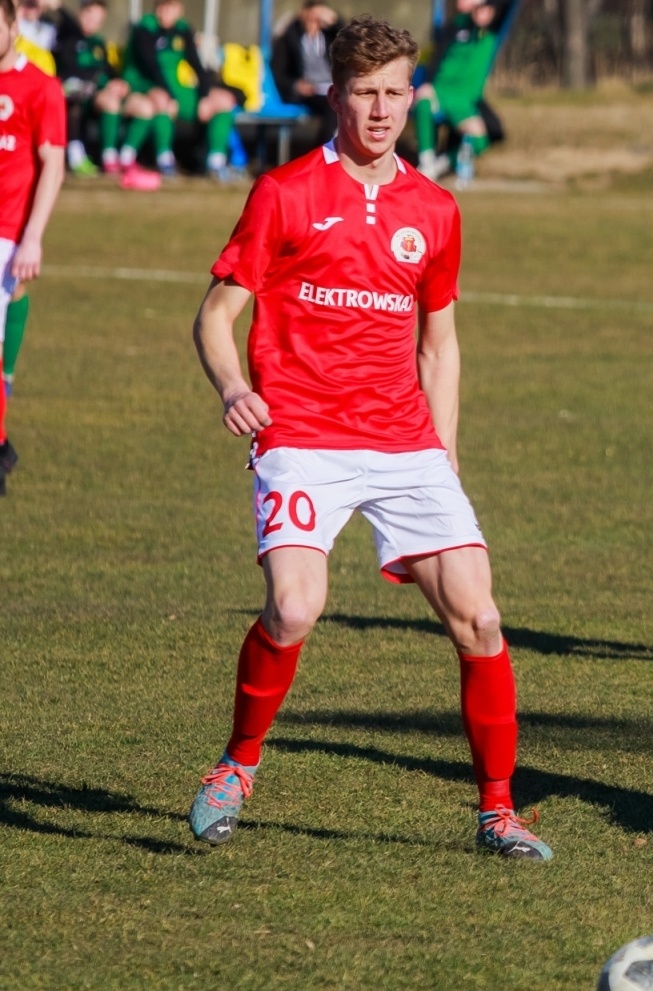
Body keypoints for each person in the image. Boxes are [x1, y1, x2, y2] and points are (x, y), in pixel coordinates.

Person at [187, 14, 551, 861]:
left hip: (405, 444)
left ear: (413, 95)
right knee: (295, 604)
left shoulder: (436, 208)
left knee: (480, 616)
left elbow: (441, 341)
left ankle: (499, 812)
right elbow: (214, 316)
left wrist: (446, 448)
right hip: (302, 433)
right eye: (365, 93)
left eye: (395, 93)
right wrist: (235, 385)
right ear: (335, 94)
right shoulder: (283, 194)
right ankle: (237, 766)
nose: (381, 111)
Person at [0, 0, 66, 483]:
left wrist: (33, 238)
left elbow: (53, 163)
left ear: (13, 26)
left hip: (6, 232)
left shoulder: (40, 87)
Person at [120, 0, 239, 180]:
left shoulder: (182, 29)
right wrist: (170, 95)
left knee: (223, 101)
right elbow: (149, 67)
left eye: (171, 7)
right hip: (145, 84)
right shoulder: (145, 28)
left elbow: (197, 65)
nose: (165, 12)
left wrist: (205, 96)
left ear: (179, 9)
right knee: (163, 102)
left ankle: (216, 162)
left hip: (175, 87)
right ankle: (164, 160)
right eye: (162, 7)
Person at [412, 0, 508, 185]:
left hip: (464, 101)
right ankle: (426, 161)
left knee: (480, 140)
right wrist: (429, 84)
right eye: (480, 9)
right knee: (423, 103)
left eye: (487, 9)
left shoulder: (493, 32)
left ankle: (441, 164)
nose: (483, 13)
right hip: (441, 92)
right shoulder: (458, 27)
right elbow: (438, 55)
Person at [51, 0, 120, 175]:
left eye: (97, 20)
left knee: (111, 101)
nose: (91, 23)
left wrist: (116, 82)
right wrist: (59, 7)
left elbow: (108, 70)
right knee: (73, 101)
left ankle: (109, 158)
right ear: (80, 14)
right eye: (88, 16)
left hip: (92, 95)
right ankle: (76, 155)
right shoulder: (67, 34)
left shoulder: (98, 43)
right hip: (68, 93)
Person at [272, 0, 342, 144]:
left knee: (344, 101)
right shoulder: (290, 39)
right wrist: (296, 85)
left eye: (318, 19)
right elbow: (279, 72)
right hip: (309, 90)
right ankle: (324, 150)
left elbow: (348, 37)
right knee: (333, 105)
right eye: (311, 17)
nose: (314, 22)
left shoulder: (330, 37)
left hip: (331, 85)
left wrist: (335, 19)